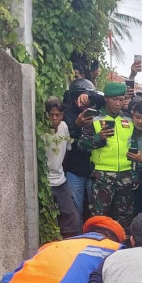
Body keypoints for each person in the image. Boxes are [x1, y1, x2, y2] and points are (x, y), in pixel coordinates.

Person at [78, 82, 136, 233]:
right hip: (102, 177)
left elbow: (133, 147)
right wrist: (99, 138)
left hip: (125, 176)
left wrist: (134, 173)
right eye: (113, 99)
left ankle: (122, 251)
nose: (117, 103)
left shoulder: (129, 120)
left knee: (124, 219)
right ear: (106, 99)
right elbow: (82, 145)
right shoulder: (94, 118)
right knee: (99, 219)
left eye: (121, 99)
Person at [63, 79, 105, 231]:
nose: (82, 102)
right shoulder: (67, 112)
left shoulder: (96, 109)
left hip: (95, 170)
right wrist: (77, 125)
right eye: (79, 97)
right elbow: (67, 139)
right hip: (75, 170)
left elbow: (104, 98)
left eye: (85, 98)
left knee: (96, 211)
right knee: (75, 211)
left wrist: (89, 95)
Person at [45, 97, 80, 238]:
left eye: (57, 115)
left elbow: (67, 150)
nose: (54, 118)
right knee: (48, 219)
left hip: (60, 180)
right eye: (51, 115)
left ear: (62, 115)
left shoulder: (64, 127)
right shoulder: (42, 131)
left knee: (72, 219)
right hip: (45, 183)